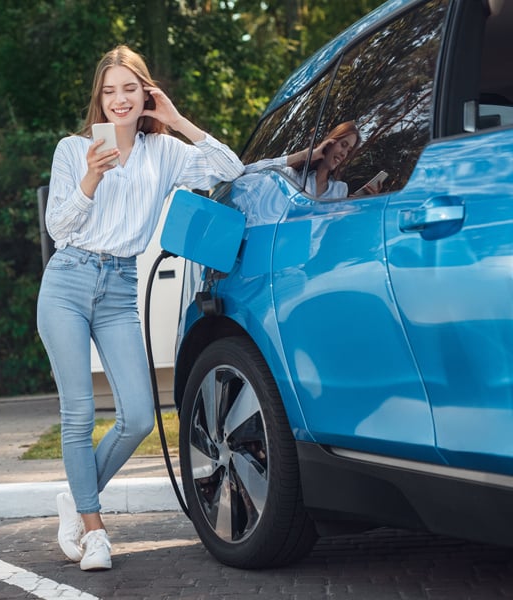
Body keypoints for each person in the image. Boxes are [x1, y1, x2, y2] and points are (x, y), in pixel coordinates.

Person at [37, 45, 244, 571]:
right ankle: (95, 529)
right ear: (99, 99)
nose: (118, 100)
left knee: (137, 416)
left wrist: (175, 119)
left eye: (129, 89)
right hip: (68, 279)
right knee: (79, 413)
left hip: (118, 286)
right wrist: (91, 176)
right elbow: (58, 228)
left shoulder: (164, 152)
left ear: (145, 93)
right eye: (109, 91)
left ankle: (77, 496)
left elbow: (230, 169)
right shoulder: (73, 149)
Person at [243, 120, 376, 199]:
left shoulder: (340, 190)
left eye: (349, 151)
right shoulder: (292, 177)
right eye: (343, 145)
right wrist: (304, 155)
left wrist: (360, 205)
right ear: (330, 142)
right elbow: (247, 172)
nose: (344, 154)